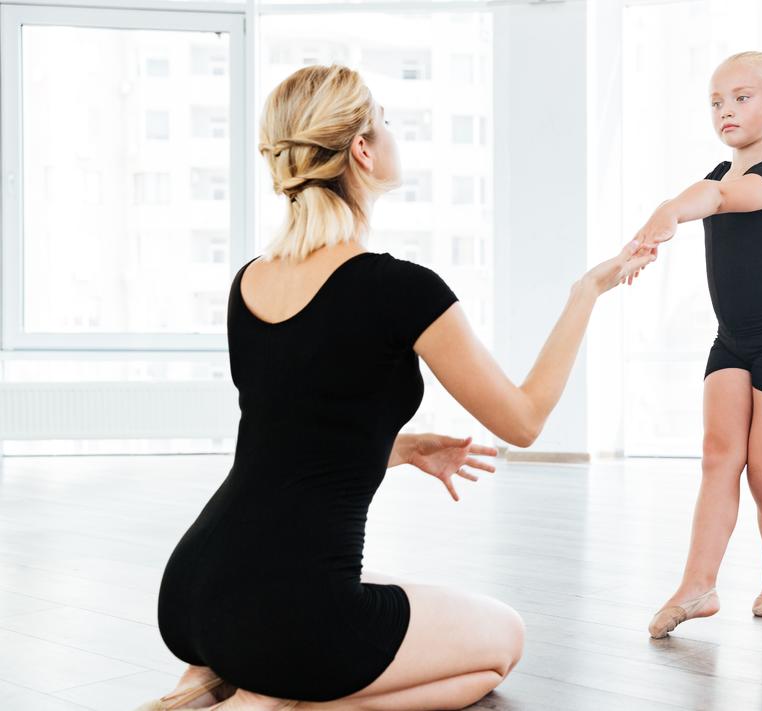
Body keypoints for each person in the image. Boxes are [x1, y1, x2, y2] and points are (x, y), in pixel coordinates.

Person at [139, 64, 655, 711]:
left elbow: (292, 439)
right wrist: (587, 292)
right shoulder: (400, 290)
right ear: (361, 148)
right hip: (288, 613)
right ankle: (275, 698)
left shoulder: (249, 281)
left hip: (192, 591)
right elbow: (524, 420)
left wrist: (401, 447)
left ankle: (223, 678)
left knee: (342, 595)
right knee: (503, 640)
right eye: (384, 121)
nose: (390, 133)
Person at [635, 50, 762, 639]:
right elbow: (705, 191)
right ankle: (698, 586)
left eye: (742, 98)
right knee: (718, 457)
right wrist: (660, 222)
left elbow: (713, 201)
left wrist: (670, 211)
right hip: (732, 339)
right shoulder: (718, 173)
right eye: (717, 102)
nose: (726, 111)